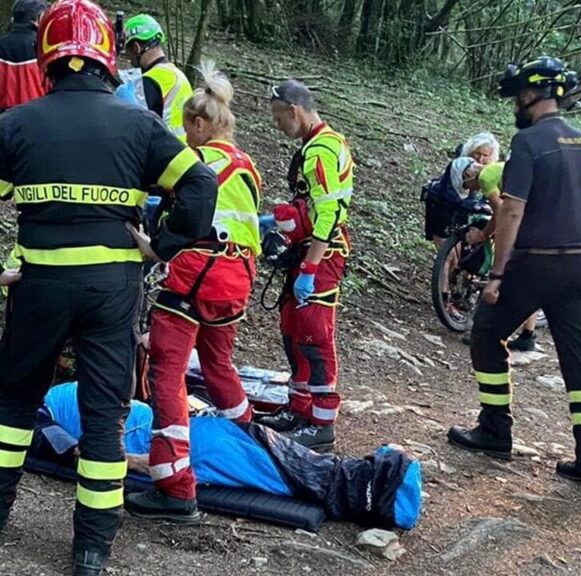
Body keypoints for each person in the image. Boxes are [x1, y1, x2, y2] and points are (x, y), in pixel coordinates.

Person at [0, 1, 217, 574]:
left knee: (15, 401)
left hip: (39, 285)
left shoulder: (16, 122)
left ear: (47, 56)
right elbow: (199, 186)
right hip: (110, 292)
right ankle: (92, 548)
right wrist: (163, 245)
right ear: (105, 56)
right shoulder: (139, 124)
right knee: (104, 416)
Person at [445, 56, 581, 490]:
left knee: (485, 331)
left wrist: (497, 275)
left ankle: (495, 430)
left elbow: (513, 210)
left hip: (537, 261)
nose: (516, 105)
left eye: (519, 96)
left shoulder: (530, 144)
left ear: (532, 95)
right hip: (579, 263)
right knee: (576, 357)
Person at [123, 61, 263, 523]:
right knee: (218, 360)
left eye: (187, 129)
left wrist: (153, 247)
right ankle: (251, 438)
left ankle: (174, 485)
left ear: (201, 124)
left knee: (166, 371)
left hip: (195, 273)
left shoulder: (198, 161)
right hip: (237, 276)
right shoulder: (247, 165)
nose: (185, 137)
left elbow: (166, 204)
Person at [34, 382, 423, 531]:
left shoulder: (45, 412)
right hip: (193, 431)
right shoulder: (63, 397)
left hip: (192, 441)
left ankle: (380, 482)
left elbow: (91, 454)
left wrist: (144, 463)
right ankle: (379, 476)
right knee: (286, 462)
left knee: (286, 469)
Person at [258, 80, 353, 451]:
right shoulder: (315, 145)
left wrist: (312, 267)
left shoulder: (321, 152)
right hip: (307, 250)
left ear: (294, 110)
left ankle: (321, 423)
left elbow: (329, 212)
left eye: (280, 118)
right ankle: (298, 409)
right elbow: (312, 205)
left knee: (314, 335)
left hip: (322, 255)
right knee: (292, 328)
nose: (278, 126)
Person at [464, 160, 542, 352]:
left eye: (466, 184)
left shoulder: (485, 178)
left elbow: (500, 210)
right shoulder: (496, 169)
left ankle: (488, 331)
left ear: (471, 177)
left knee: (506, 273)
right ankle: (527, 335)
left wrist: (484, 234)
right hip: (538, 208)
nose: (469, 189)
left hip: (526, 212)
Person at [123, 13, 193, 141]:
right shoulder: (177, 74)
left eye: (128, 50)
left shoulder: (150, 80)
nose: (128, 56)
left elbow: (136, 128)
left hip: (163, 153)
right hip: (185, 152)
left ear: (136, 48)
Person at [0, 0, 48, 113]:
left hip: (5, 119)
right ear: (40, 18)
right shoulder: (44, 47)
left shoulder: (2, 45)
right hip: (39, 114)